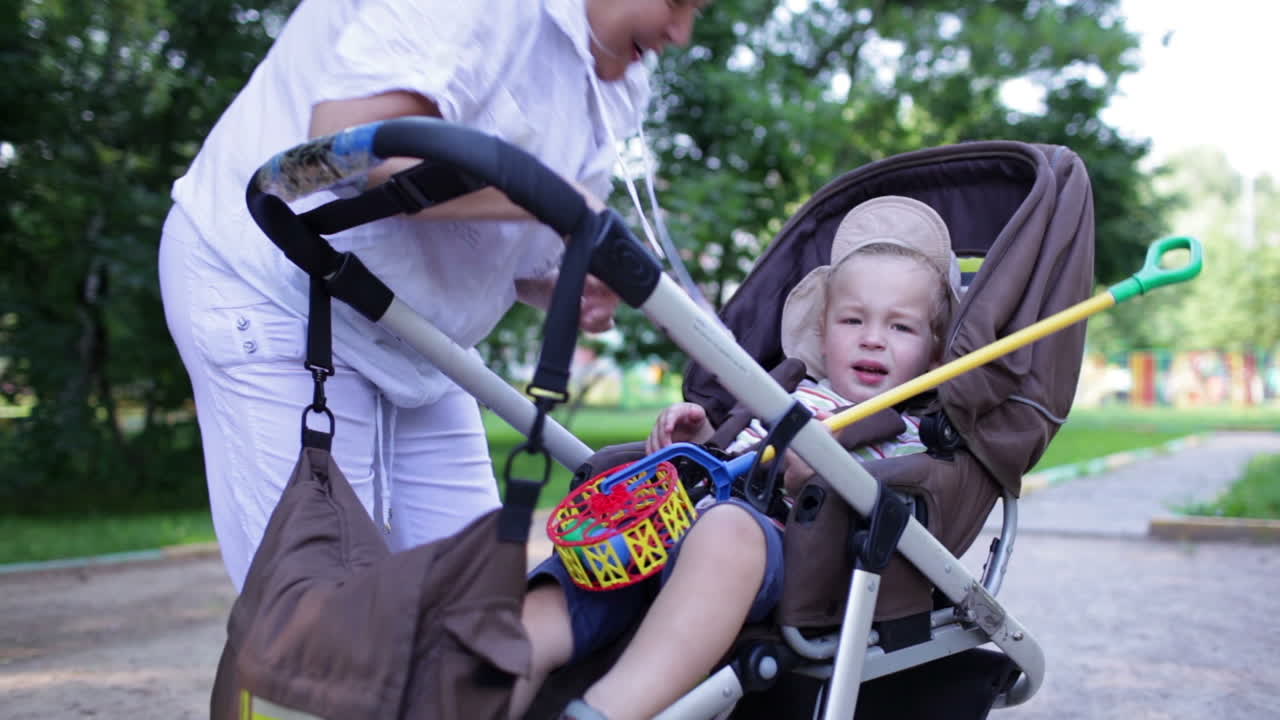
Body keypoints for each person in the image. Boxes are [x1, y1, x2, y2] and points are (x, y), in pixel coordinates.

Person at [159, 0, 710, 591]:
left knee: (470, 613)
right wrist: (559, 200)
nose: (680, 33)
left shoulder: (615, 71)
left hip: (417, 338)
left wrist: (554, 279)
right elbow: (337, 148)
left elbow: (486, 217)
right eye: (677, 1)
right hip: (281, 291)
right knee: (332, 627)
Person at [516, 195, 963, 720]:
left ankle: (608, 710)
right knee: (569, 586)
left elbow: (891, 507)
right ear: (822, 331)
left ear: (934, 355)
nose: (871, 339)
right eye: (852, 320)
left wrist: (815, 481)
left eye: (900, 327)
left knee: (729, 530)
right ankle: (482, 684)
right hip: (664, 532)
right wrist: (703, 435)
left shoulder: (909, 435)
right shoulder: (787, 391)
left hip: (777, 554)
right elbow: (732, 454)